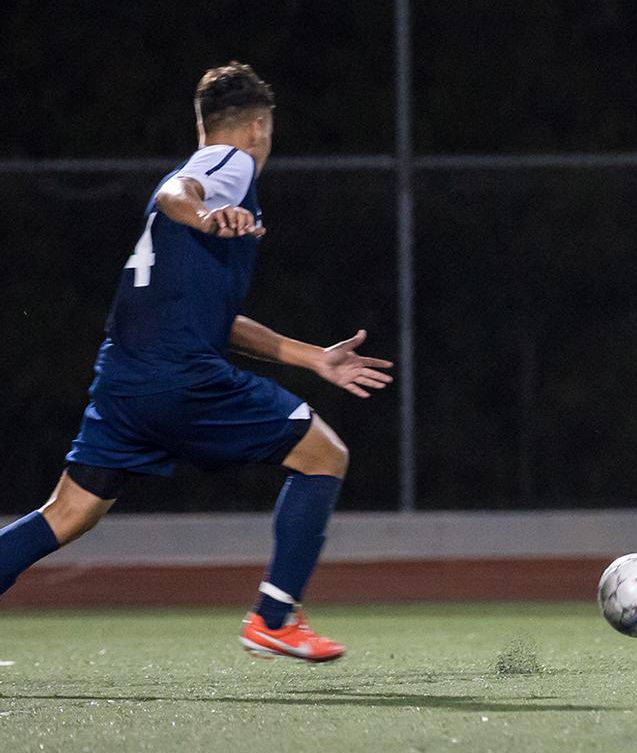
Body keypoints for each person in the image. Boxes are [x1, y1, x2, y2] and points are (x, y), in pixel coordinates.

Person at [0, 62, 394, 662]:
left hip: (125, 378)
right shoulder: (227, 166)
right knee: (323, 456)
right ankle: (274, 617)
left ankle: (276, 616)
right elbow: (176, 192)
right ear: (259, 126)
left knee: (70, 512)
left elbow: (219, 322)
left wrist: (310, 357)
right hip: (180, 375)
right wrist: (205, 211)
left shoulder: (210, 184)